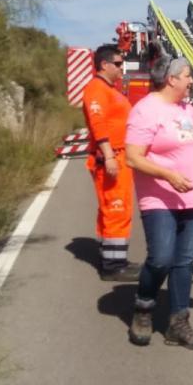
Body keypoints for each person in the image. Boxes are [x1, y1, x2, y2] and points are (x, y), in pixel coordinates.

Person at [125, 56, 193, 350]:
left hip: (191, 195)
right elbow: (133, 157)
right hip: (159, 195)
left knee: (184, 261)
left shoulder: (188, 109)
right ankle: (144, 307)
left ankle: (178, 323)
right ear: (172, 79)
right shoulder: (146, 110)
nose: (191, 81)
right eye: (188, 75)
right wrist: (168, 175)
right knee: (161, 258)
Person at [83, 44, 140, 281]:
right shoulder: (97, 90)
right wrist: (107, 155)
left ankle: (111, 256)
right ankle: (114, 265)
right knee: (116, 207)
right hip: (111, 156)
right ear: (104, 65)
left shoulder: (109, 90)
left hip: (119, 155)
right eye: (117, 64)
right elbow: (98, 124)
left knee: (114, 207)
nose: (121, 68)